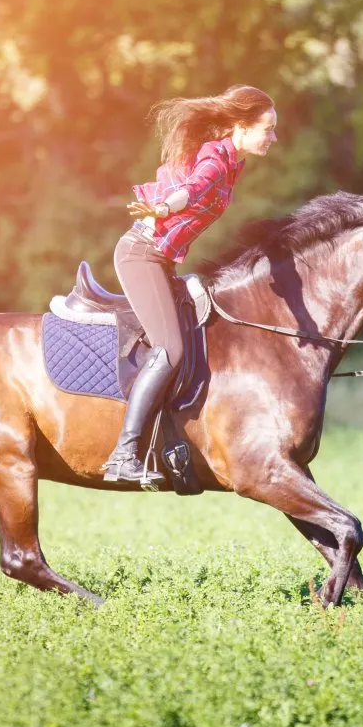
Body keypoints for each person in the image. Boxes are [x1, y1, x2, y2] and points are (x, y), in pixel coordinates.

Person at [102, 85, 278, 483]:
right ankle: (123, 454)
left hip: (161, 259)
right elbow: (195, 187)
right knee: (172, 349)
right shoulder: (217, 160)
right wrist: (165, 206)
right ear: (240, 126)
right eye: (267, 129)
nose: (273, 137)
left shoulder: (234, 163)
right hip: (141, 254)